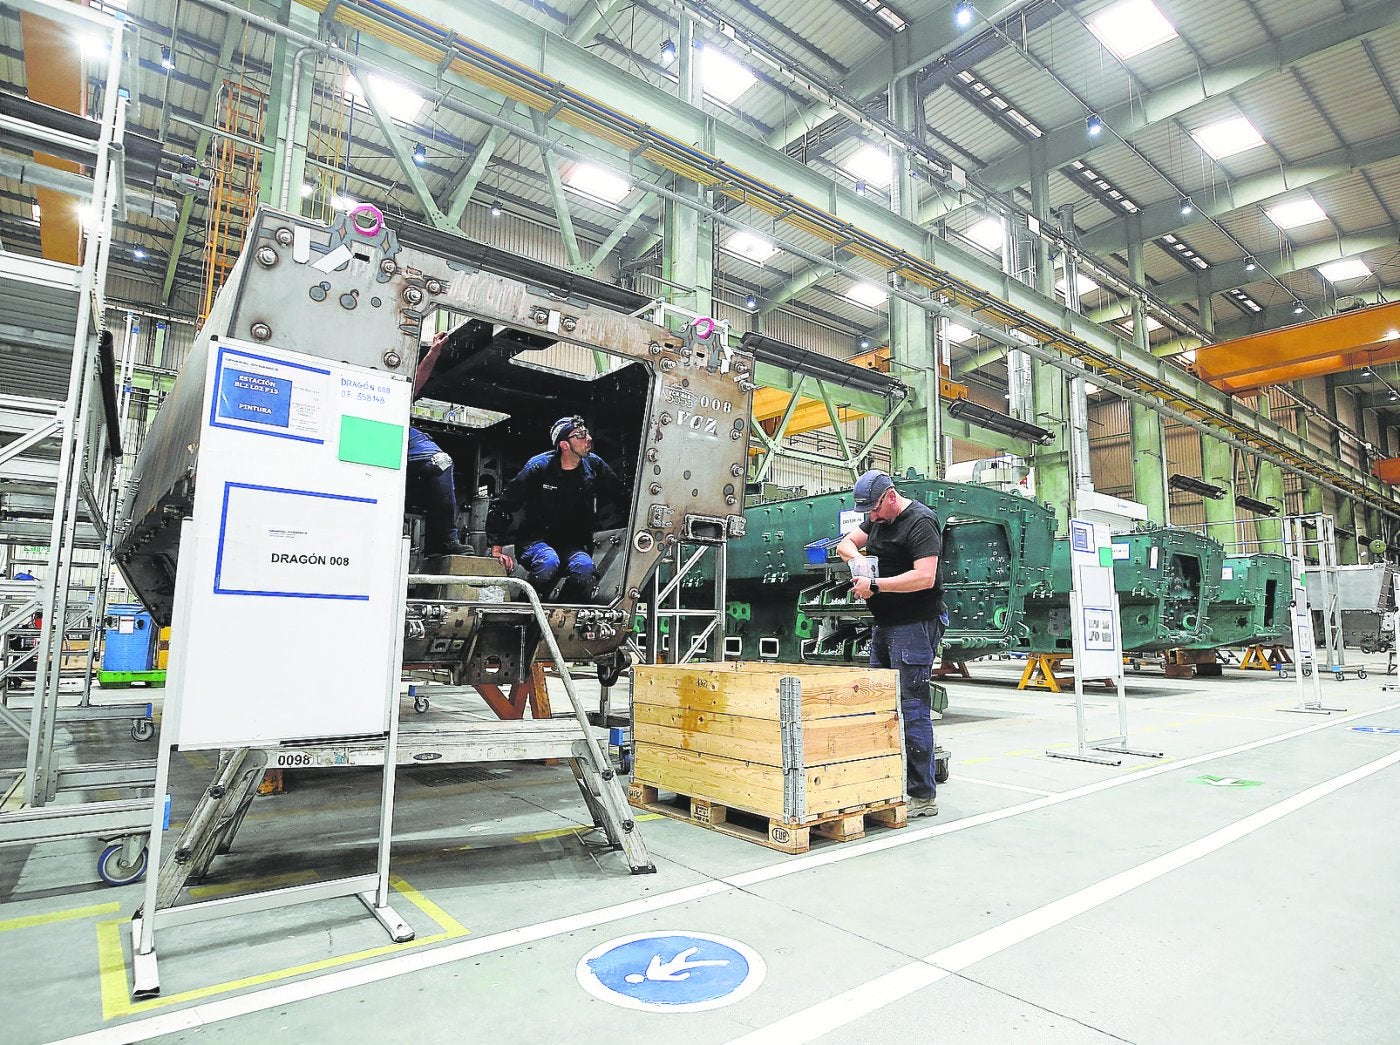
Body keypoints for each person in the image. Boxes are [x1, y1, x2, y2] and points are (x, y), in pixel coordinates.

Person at [836, 469, 944, 818]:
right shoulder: (877, 520)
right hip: (885, 626)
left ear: (891, 496)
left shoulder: (920, 522)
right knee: (880, 704)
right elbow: (844, 543)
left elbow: (925, 577)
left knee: (912, 708)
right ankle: (891, 781)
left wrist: (876, 585)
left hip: (913, 626)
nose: (871, 517)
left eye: (875, 509)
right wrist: (859, 562)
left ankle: (923, 795)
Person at [486, 416, 624, 602]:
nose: (589, 438)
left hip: (573, 544)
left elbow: (621, 494)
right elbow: (503, 505)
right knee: (548, 562)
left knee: (584, 569)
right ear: (564, 445)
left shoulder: (594, 465)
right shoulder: (538, 467)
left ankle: (561, 616)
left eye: (587, 432)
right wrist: (496, 549)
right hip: (534, 541)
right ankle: (525, 611)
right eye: (581, 435)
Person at [408, 330, 469, 557]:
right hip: (365, 431)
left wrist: (434, 352)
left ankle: (442, 542)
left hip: (396, 428)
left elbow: (412, 384)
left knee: (441, 461)